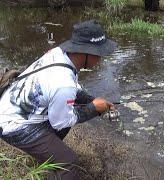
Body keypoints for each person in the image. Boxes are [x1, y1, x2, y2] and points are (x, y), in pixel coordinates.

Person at [0, 19, 117, 179]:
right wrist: (94, 109)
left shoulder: (59, 53)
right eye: (99, 54)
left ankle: (49, 153)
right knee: (69, 162)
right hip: (12, 125)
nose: (100, 60)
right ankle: (56, 163)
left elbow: (73, 91)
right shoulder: (63, 83)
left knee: (68, 115)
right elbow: (60, 122)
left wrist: (91, 100)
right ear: (86, 53)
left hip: (11, 107)